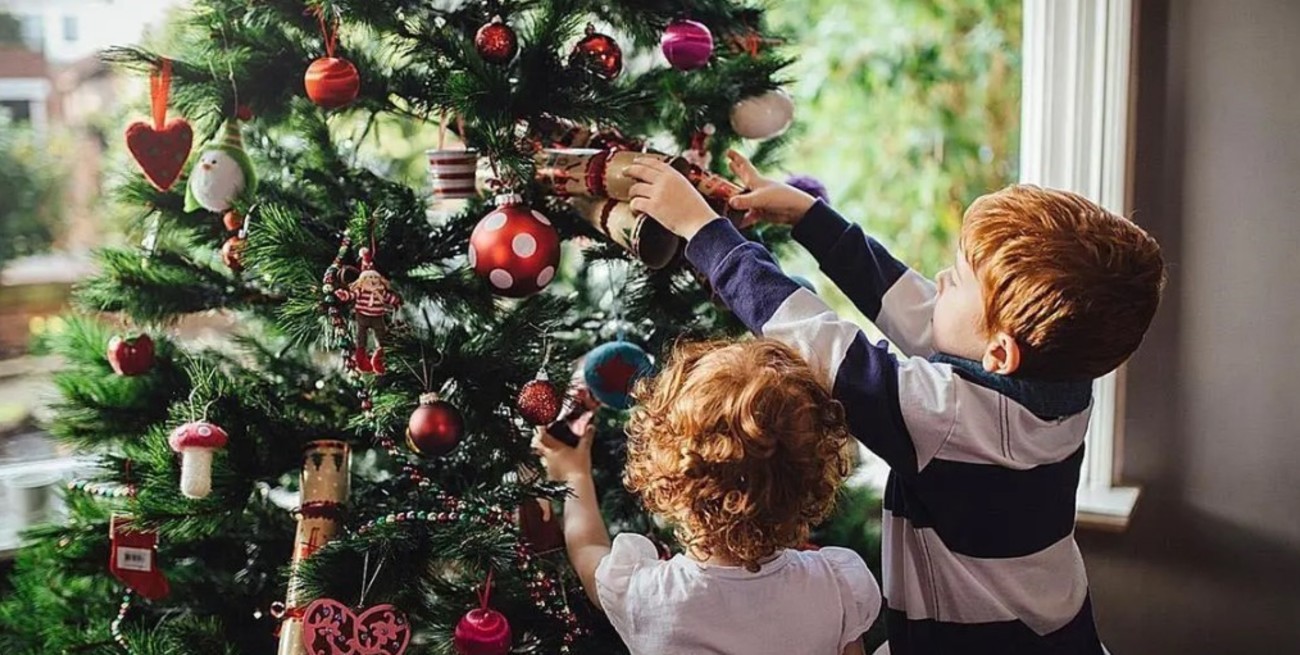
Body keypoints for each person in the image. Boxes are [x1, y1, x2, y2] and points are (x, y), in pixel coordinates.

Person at [621, 150, 1165, 655]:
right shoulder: (1057, 383)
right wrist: (811, 219)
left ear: (999, 353)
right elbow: (915, 307)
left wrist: (702, 231)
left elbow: (815, 339)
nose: (941, 280)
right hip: (1057, 631)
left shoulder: (950, 419)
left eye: (958, 281)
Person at [534, 338, 881, 655]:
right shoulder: (836, 585)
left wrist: (575, 473)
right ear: (811, 478)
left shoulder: (650, 596)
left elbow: (587, 551)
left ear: (670, 478)